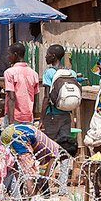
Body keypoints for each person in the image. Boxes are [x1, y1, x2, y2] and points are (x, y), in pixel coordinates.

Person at [40, 44, 76, 192]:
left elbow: (47, 97)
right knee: (65, 149)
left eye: (48, 54)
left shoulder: (49, 72)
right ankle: (62, 186)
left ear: (53, 56)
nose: (46, 56)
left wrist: (42, 119)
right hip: (66, 115)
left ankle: (45, 183)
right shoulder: (71, 72)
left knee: (48, 149)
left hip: (52, 115)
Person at [2, 122, 63, 197]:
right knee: (29, 174)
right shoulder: (56, 153)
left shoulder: (51, 144)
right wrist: (46, 196)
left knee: (15, 170)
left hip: (7, 132)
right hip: (19, 136)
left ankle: (16, 198)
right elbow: (45, 179)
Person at [3, 43, 38, 126]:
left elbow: (11, 97)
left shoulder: (9, 72)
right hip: (28, 117)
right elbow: (35, 97)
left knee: (8, 138)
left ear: (15, 55)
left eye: (9, 54)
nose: (8, 57)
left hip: (14, 116)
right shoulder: (33, 74)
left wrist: (10, 123)